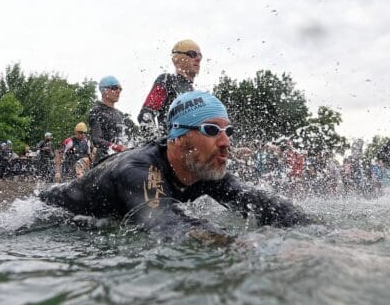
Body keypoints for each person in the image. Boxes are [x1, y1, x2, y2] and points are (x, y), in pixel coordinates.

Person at [40, 91, 316, 244]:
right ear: (178, 137)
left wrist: (324, 234)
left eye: (228, 131)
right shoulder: (138, 169)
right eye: (211, 130)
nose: (225, 142)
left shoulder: (202, 168)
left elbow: (257, 201)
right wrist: (243, 246)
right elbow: (164, 223)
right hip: (52, 213)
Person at [138, 39, 201, 138]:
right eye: (192, 54)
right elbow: (145, 115)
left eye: (199, 55)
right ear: (177, 58)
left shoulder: (194, 92)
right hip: (172, 148)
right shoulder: (167, 80)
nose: (198, 59)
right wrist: (159, 145)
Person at [89, 75, 137, 163]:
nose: (118, 91)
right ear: (104, 90)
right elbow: (96, 139)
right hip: (104, 162)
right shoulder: (97, 110)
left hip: (119, 159)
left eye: (120, 89)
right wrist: (117, 147)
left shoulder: (119, 114)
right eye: (114, 88)